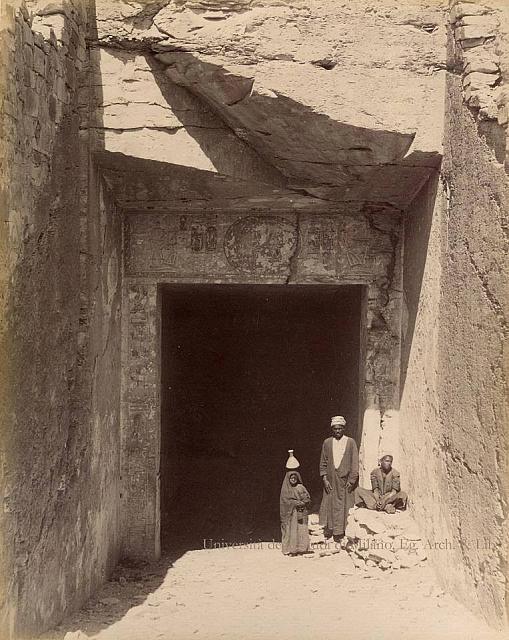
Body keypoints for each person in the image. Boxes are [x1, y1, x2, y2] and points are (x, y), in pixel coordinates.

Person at [319, 415, 359, 541]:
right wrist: (325, 479)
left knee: (345, 506)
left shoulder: (350, 442)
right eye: (335, 429)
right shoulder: (327, 443)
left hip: (345, 481)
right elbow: (323, 462)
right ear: (332, 429)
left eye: (340, 428)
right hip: (331, 481)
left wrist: (352, 480)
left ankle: (344, 533)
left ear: (344, 428)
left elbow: (354, 463)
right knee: (331, 505)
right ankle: (333, 532)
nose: (337, 431)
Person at [280, 470, 312, 555]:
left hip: (301, 512)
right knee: (291, 530)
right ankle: (291, 550)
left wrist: (304, 502)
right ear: (288, 479)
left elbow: (307, 498)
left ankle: (301, 549)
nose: (293, 479)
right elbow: (285, 501)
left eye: (295, 478)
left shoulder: (301, 487)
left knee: (301, 529)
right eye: (291, 478)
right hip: (291, 514)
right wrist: (295, 503)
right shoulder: (286, 490)